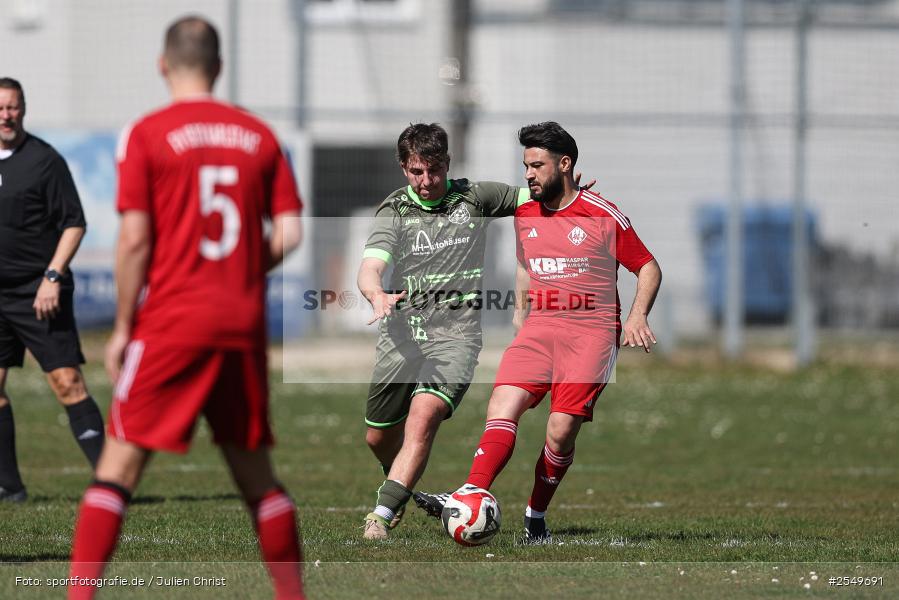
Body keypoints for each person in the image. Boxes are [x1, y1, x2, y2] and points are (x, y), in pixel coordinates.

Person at [68, 17, 305, 599]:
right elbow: (291, 232)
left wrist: (123, 325)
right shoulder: (260, 135)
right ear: (219, 67)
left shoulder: (146, 133)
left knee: (117, 471)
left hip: (172, 320)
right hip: (241, 324)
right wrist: (239, 271)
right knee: (258, 481)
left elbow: (134, 241)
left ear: (162, 64)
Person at [415, 121, 662, 543]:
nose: (527, 174)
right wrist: (519, 314)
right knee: (502, 405)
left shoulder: (602, 214)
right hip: (540, 328)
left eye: (536, 165)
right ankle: (472, 491)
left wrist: (637, 316)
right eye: (525, 165)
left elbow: (648, 267)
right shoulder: (526, 212)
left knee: (560, 430)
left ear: (564, 164)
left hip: (592, 333)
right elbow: (527, 264)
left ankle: (535, 516)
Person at [357, 122, 593, 540]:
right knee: (378, 437)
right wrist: (375, 292)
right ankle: (399, 482)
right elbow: (370, 266)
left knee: (423, 416)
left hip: (456, 337)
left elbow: (536, 194)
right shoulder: (394, 210)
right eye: (416, 172)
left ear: (447, 163)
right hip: (401, 335)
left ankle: (381, 515)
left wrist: (570, 193)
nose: (426, 181)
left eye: (434, 170)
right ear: (403, 169)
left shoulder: (475, 197)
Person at [0, 77, 105, 502]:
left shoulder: (44, 160)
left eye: (13, 107)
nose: (6, 115)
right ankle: (9, 487)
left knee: (66, 382)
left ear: (23, 109)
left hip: (38, 291)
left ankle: (112, 483)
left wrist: (52, 277)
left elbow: (74, 223)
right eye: (0, 107)